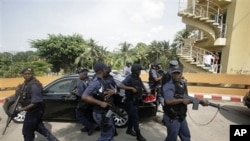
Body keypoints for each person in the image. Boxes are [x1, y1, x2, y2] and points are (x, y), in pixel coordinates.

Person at [162, 66, 208, 141]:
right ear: (171, 74)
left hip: (181, 116)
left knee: (186, 136)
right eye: (174, 73)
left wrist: (199, 101)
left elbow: (186, 96)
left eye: (178, 73)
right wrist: (182, 100)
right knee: (172, 138)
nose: (176, 75)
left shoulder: (182, 84)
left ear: (181, 73)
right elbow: (168, 101)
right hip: (172, 117)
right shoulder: (168, 86)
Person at [15, 67, 59, 141]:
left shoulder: (34, 85)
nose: (27, 75)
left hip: (35, 110)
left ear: (32, 74)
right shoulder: (26, 83)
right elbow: (22, 95)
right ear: (23, 75)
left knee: (27, 131)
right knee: (39, 127)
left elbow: (35, 102)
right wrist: (17, 90)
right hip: (32, 110)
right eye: (25, 74)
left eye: (29, 74)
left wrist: (22, 109)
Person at [82, 62, 117, 141]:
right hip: (100, 113)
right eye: (105, 69)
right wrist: (100, 103)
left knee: (110, 133)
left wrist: (113, 91)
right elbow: (84, 96)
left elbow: (115, 87)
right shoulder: (96, 82)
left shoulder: (102, 80)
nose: (106, 70)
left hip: (106, 112)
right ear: (102, 70)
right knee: (106, 136)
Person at [119, 63, 149, 141]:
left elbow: (141, 84)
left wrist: (146, 91)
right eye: (139, 70)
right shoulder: (129, 78)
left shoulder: (137, 78)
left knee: (132, 117)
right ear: (136, 71)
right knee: (135, 118)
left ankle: (129, 130)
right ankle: (138, 135)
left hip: (136, 100)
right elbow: (121, 85)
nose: (140, 72)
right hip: (130, 101)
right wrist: (131, 88)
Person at [75, 68, 96, 135]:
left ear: (83, 75)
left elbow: (80, 94)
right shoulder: (90, 80)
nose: (79, 75)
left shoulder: (82, 82)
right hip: (90, 101)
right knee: (87, 115)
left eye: (79, 74)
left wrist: (75, 93)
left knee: (79, 115)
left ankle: (90, 127)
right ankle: (87, 127)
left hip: (83, 101)